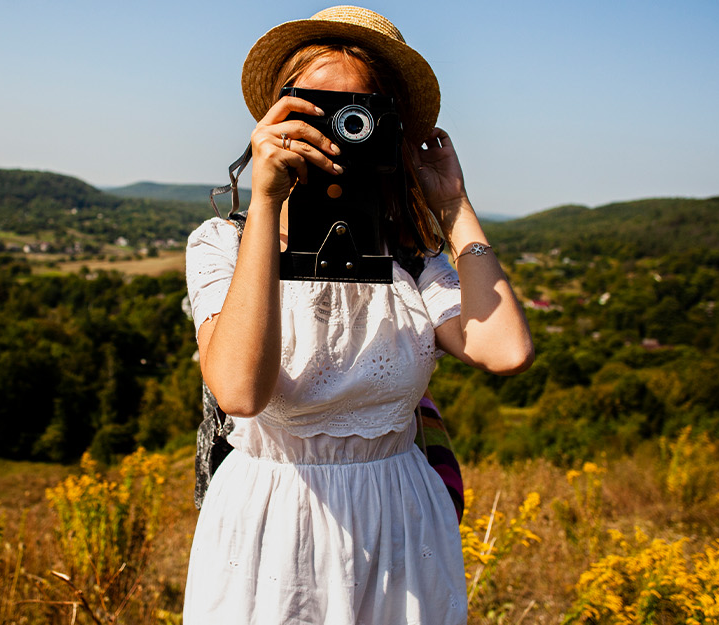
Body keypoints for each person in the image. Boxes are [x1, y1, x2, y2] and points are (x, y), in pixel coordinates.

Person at [182, 6, 534, 624]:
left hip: (400, 526)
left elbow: (505, 350)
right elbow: (239, 390)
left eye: (359, 114)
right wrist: (266, 204)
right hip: (272, 525)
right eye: (313, 107)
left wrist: (451, 205)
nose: (335, 131)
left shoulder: (408, 261)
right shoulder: (222, 244)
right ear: (277, 113)